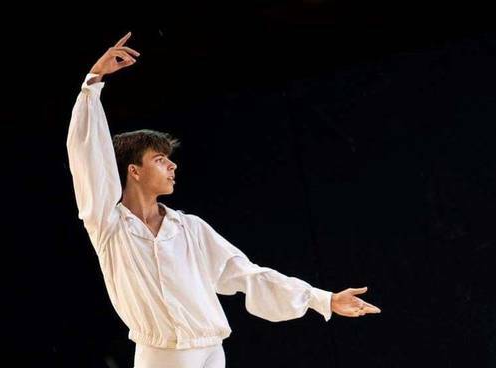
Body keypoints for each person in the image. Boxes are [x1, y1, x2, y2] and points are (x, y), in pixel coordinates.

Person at [66, 32, 381, 368]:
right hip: (164, 355)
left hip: (212, 351)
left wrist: (324, 300)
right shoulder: (110, 225)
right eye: (160, 159)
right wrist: (92, 83)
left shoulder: (190, 229)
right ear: (134, 171)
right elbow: (90, 160)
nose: (172, 165)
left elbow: (248, 275)